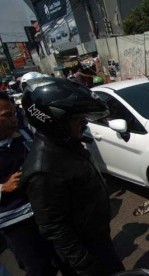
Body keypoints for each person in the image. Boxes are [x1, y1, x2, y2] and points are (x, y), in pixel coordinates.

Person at [20, 78, 125, 275]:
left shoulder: (65, 144)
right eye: (78, 119)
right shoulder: (43, 170)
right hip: (86, 254)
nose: (84, 123)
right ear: (55, 122)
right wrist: (84, 264)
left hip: (98, 238)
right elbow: (53, 225)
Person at [0, 93, 60, 275]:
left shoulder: (24, 134)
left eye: (13, 113)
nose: (14, 118)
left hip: (46, 212)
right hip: (16, 224)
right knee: (38, 268)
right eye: (7, 115)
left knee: (66, 259)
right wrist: (3, 187)